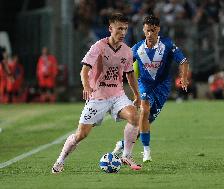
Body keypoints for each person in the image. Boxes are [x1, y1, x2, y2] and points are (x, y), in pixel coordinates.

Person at [51, 13, 141, 173]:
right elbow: (84, 69)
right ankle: (60, 160)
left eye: (125, 29)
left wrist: (137, 95)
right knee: (81, 134)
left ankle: (127, 155)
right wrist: (86, 86)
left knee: (135, 117)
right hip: (98, 97)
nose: (123, 32)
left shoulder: (127, 51)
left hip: (117, 95)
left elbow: (130, 74)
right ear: (110, 28)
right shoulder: (99, 46)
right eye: (119, 29)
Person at [113, 15, 189, 162]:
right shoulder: (137, 48)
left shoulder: (167, 45)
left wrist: (184, 77)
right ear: (143, 29)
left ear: (158, 29)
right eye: (147, 31)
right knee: (144, 111)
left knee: (146, 120)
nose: (150, 34)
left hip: (162, 87)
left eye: (153, 31)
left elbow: (184, 61)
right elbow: (124, 65)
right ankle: (146, 151)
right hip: (145, 85)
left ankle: (123, 143)